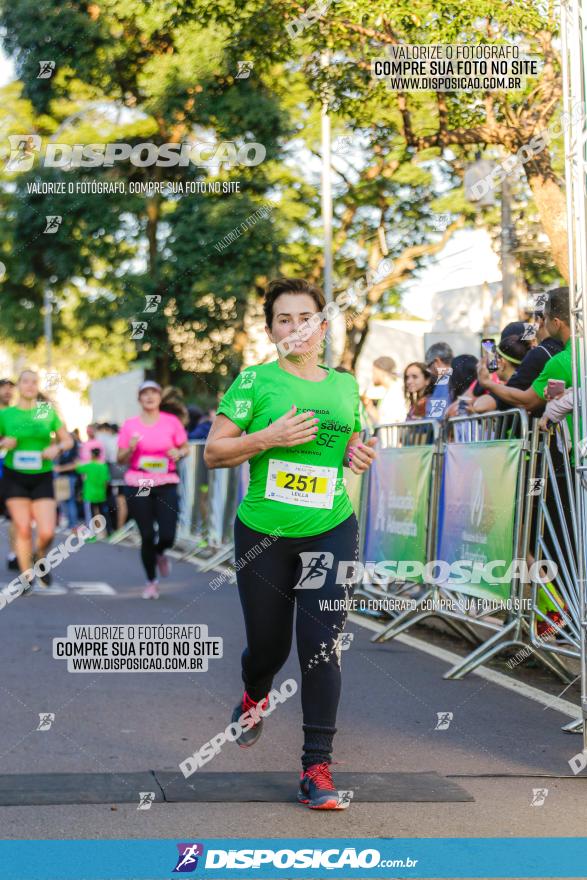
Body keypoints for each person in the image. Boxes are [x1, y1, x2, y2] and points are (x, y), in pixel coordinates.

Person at [204, 277, 377, 811]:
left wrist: (358, 453)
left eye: (305, 318)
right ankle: (254, 695)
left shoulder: (345, 385)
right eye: (284, 319)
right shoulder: (255, 382)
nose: (296, 327)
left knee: (321, 647)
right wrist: (268, 439)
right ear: (271, 329)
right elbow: (214, 451)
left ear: (322, 327)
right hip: (265, 534)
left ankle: (316, 767)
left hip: (331, 526)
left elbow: (352, 437)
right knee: (269, 647)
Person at [0, 370, 73, 591]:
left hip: (42, 476)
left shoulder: (45, 412)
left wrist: (57, 448)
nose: (30, 385)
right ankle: (26, 577)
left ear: (37, 386)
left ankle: (40, 558)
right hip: (15, 476)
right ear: (19, 387)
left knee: (46, 532)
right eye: (25, 381)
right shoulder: (6, 415)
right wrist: (4, 442)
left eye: (34, 382)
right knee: (22, 528)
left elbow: (67, 440)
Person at [117, 380, 189, 599]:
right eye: (144, 393)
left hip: (166, 482)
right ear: (139, 399)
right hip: (141, 483)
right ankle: (151, 581)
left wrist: (180, 453)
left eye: (153, 393)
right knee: (147, 534)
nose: (149, 397)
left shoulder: (171, 422)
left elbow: (185, 447)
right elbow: (119, 459)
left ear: (159, 397)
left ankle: (160, 552)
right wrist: (130, 448)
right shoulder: (130, 425)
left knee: (168, 535)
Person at [472, 336, 531, 414]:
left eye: (495, 359)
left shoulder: (508, 388)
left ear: (502, 363)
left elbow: (479, 406)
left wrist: (486, 382)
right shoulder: (529, 383)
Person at [0, 379, 18, 571]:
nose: (7, 391)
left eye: (10, 389)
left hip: (13, 470)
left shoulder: (16, 415)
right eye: (3, 388)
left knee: (16, 516)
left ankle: (15, 554)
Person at [76, 447, 111, 533]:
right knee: (104, 513)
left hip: (89, 494)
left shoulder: (89, 465)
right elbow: (106, 481)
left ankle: (91, 533)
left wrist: (77, 461)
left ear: (92, 455)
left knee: (90, 515)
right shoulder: (104, 466)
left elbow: (78, 469)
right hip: (101, 493)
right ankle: (109, 531)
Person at [53, 431, 81, 530]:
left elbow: (76, 464)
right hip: (62, 478)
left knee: (69, 500)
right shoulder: (63, 450)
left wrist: (60, 469)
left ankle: (72, 524)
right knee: (63, 501)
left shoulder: (75, 449)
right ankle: (68, 523)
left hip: (69, 477)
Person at [366, 356, 406, 426]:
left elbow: (390, 423)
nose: (372, 376)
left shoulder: (396, 392)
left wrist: (370, 408)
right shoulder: (390, 390)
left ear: (382, 372)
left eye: (374, 372)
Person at [424, 342, 453, 420]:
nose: (429, 371)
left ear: (437, 362)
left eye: (429, 366)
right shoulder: (460, 375)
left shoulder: (443, 380)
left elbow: (435, 418)